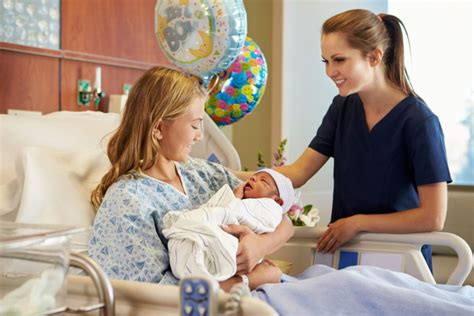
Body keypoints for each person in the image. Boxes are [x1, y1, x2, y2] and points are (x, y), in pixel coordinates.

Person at [237, 9, 451, 270]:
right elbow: (298, 172)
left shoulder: (419, 122)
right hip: (348, 254)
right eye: (325, 61)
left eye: (339, 60)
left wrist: (358, 223)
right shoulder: (343, 108)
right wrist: (223, 174)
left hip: (400, 258)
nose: (330, 71)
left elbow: (433, 217)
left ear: (374, 57)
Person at [88, 66, 291, 290]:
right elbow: (155, 294)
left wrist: (260, 247)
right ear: (158, 128)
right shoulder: (128, 201)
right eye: (194, 125)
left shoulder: (204, 174)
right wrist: (250, 279)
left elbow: (281, 218)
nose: (200, 135)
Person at [162, 169, 295, 281]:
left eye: (263, 181)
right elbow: (223, 211)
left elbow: (235, 214)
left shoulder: (270, 207)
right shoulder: (242, 198)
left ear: (277, 200)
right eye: (254, 176)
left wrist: (260, 245)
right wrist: (234, 198)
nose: (253, 178)